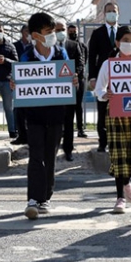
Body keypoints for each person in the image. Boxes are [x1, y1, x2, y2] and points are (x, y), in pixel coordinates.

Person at [16, 12, 78, 220]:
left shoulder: (61, 55)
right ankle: (33, 198)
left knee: (50, 155)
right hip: (33, 114)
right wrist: (15, 83)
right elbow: (21, 80)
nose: (53, 35)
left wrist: (74, 82)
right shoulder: (26, 56)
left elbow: (69, 78)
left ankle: (46, 198)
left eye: (53, 31)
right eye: (48, 32)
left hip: (56, 114)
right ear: (36, 35)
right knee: (36, 155)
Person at [94, 26, 131, 213]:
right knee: (118, 155)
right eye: (125, 39)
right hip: (116, 114)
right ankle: (120, 197)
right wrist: (105, 94)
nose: (129, 44)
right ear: (117, 43)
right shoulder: (108, 65)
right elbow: (99, 90)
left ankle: (127, 180)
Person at [88, 2, 120, 152]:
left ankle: (118, 140)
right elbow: (92, 56)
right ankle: (103, 141)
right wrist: (92, 77)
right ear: (104, 14)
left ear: (118, 12)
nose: (111, 13)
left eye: (114, 11)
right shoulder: (98, 33)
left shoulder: (123, 32)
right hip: (103, 77)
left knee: (120, 109)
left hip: (121, 78)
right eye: (108, 11)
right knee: (102, 110)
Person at [56, 20, 85, 161]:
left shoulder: (73, 45)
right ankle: (52, 148)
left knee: (68, 120)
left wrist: (75, 74)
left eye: (62, 29)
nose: (59, 32)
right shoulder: (48, 47)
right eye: (57, 30)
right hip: (53, 91)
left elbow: (80, 62)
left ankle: (68, 149)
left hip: (70, 88)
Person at [11, 24, 32, 145]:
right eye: (26, 31)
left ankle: (32, 135)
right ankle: (22, 135)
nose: (28, 33)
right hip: (20, 83)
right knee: (19, 110)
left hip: (33, 83)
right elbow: (14, 62)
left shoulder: (36, 47)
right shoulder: (15, 46)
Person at [67, 24, 88, 138]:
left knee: (78, 105)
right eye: (70, 31)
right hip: (66, 79)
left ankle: (80, 129)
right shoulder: (64, 46)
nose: (72, 33)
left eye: (74, 31)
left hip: (79, 78)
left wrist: (77, 74)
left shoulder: (83, 46)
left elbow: (83, 62)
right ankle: (66, 130)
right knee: (67, 107)